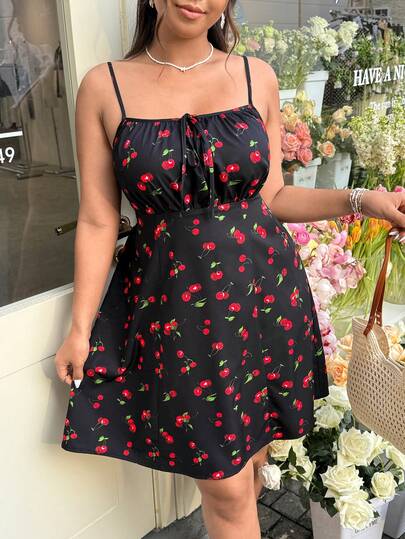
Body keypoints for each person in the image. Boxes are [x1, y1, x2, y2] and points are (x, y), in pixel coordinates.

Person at [55, 1, 405, 538]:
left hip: (263, 300)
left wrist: (364, 200)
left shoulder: (254, 76)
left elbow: (276, 198)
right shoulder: (105, 86)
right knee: (228, 486)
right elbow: (100, 219)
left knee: (250, 464)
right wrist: (80, 328)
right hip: (180, 314)